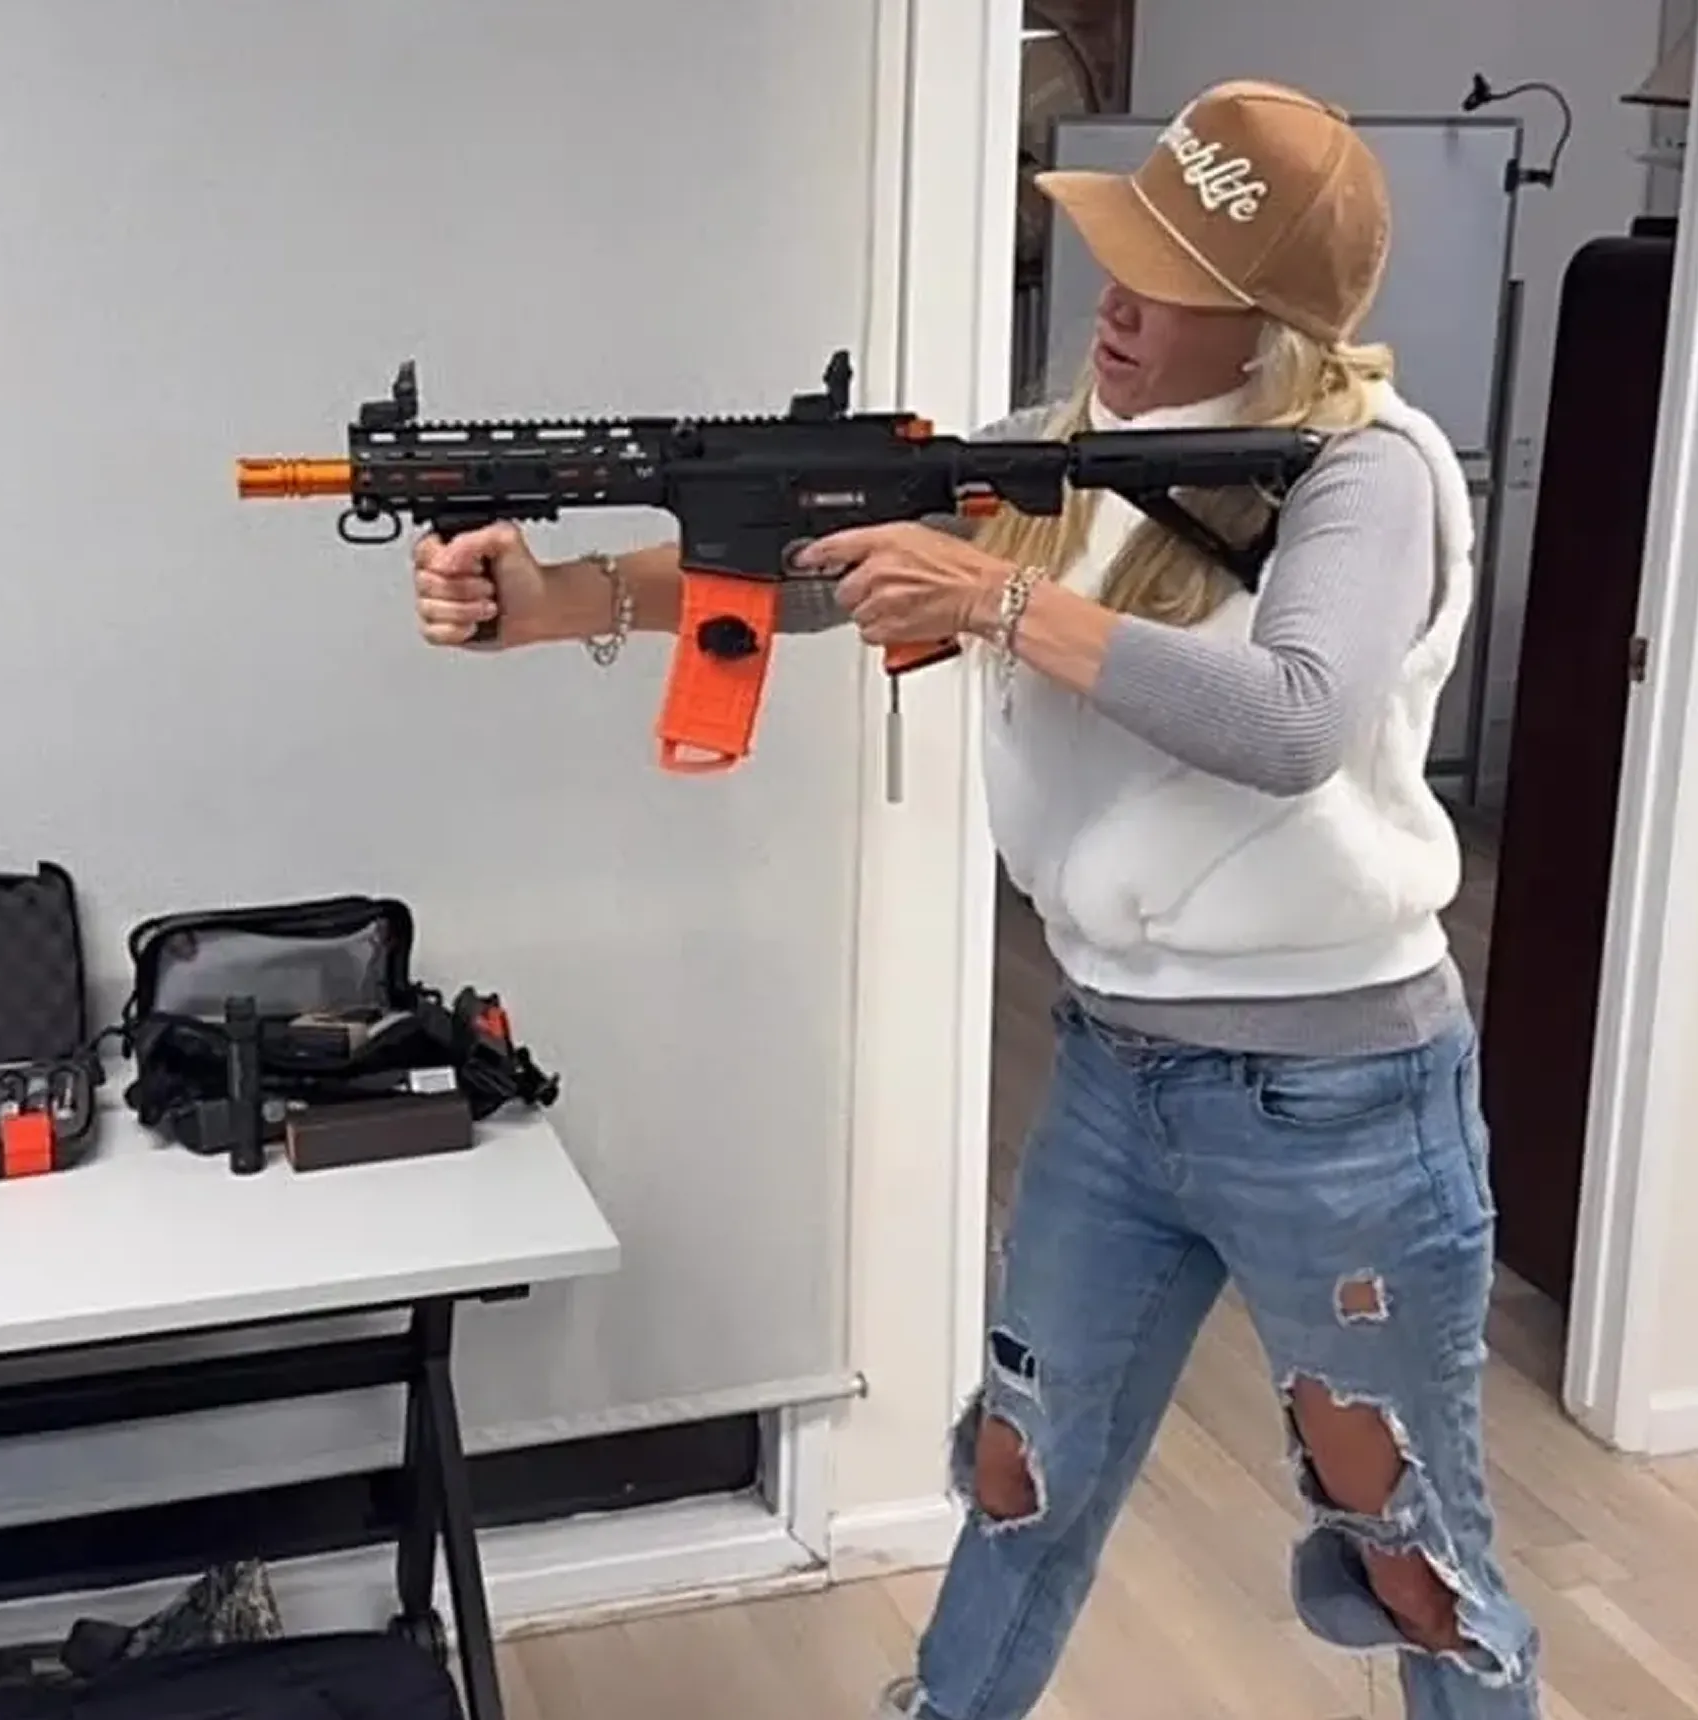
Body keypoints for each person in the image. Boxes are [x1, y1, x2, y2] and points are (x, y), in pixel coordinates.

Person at [411, 76, 1540, 1720]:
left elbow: (1292, 722)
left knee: (1411, 1563)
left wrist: (999, 600)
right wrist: (557, 597)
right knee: (1020, 1477)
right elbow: (812, 566)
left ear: (1274, 325)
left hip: (1339, 1104)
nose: (1116, 305)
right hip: (1117, 1078)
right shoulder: (1060, 454)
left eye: (1170, 282)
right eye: (1119, 259)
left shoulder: (1371, 474)